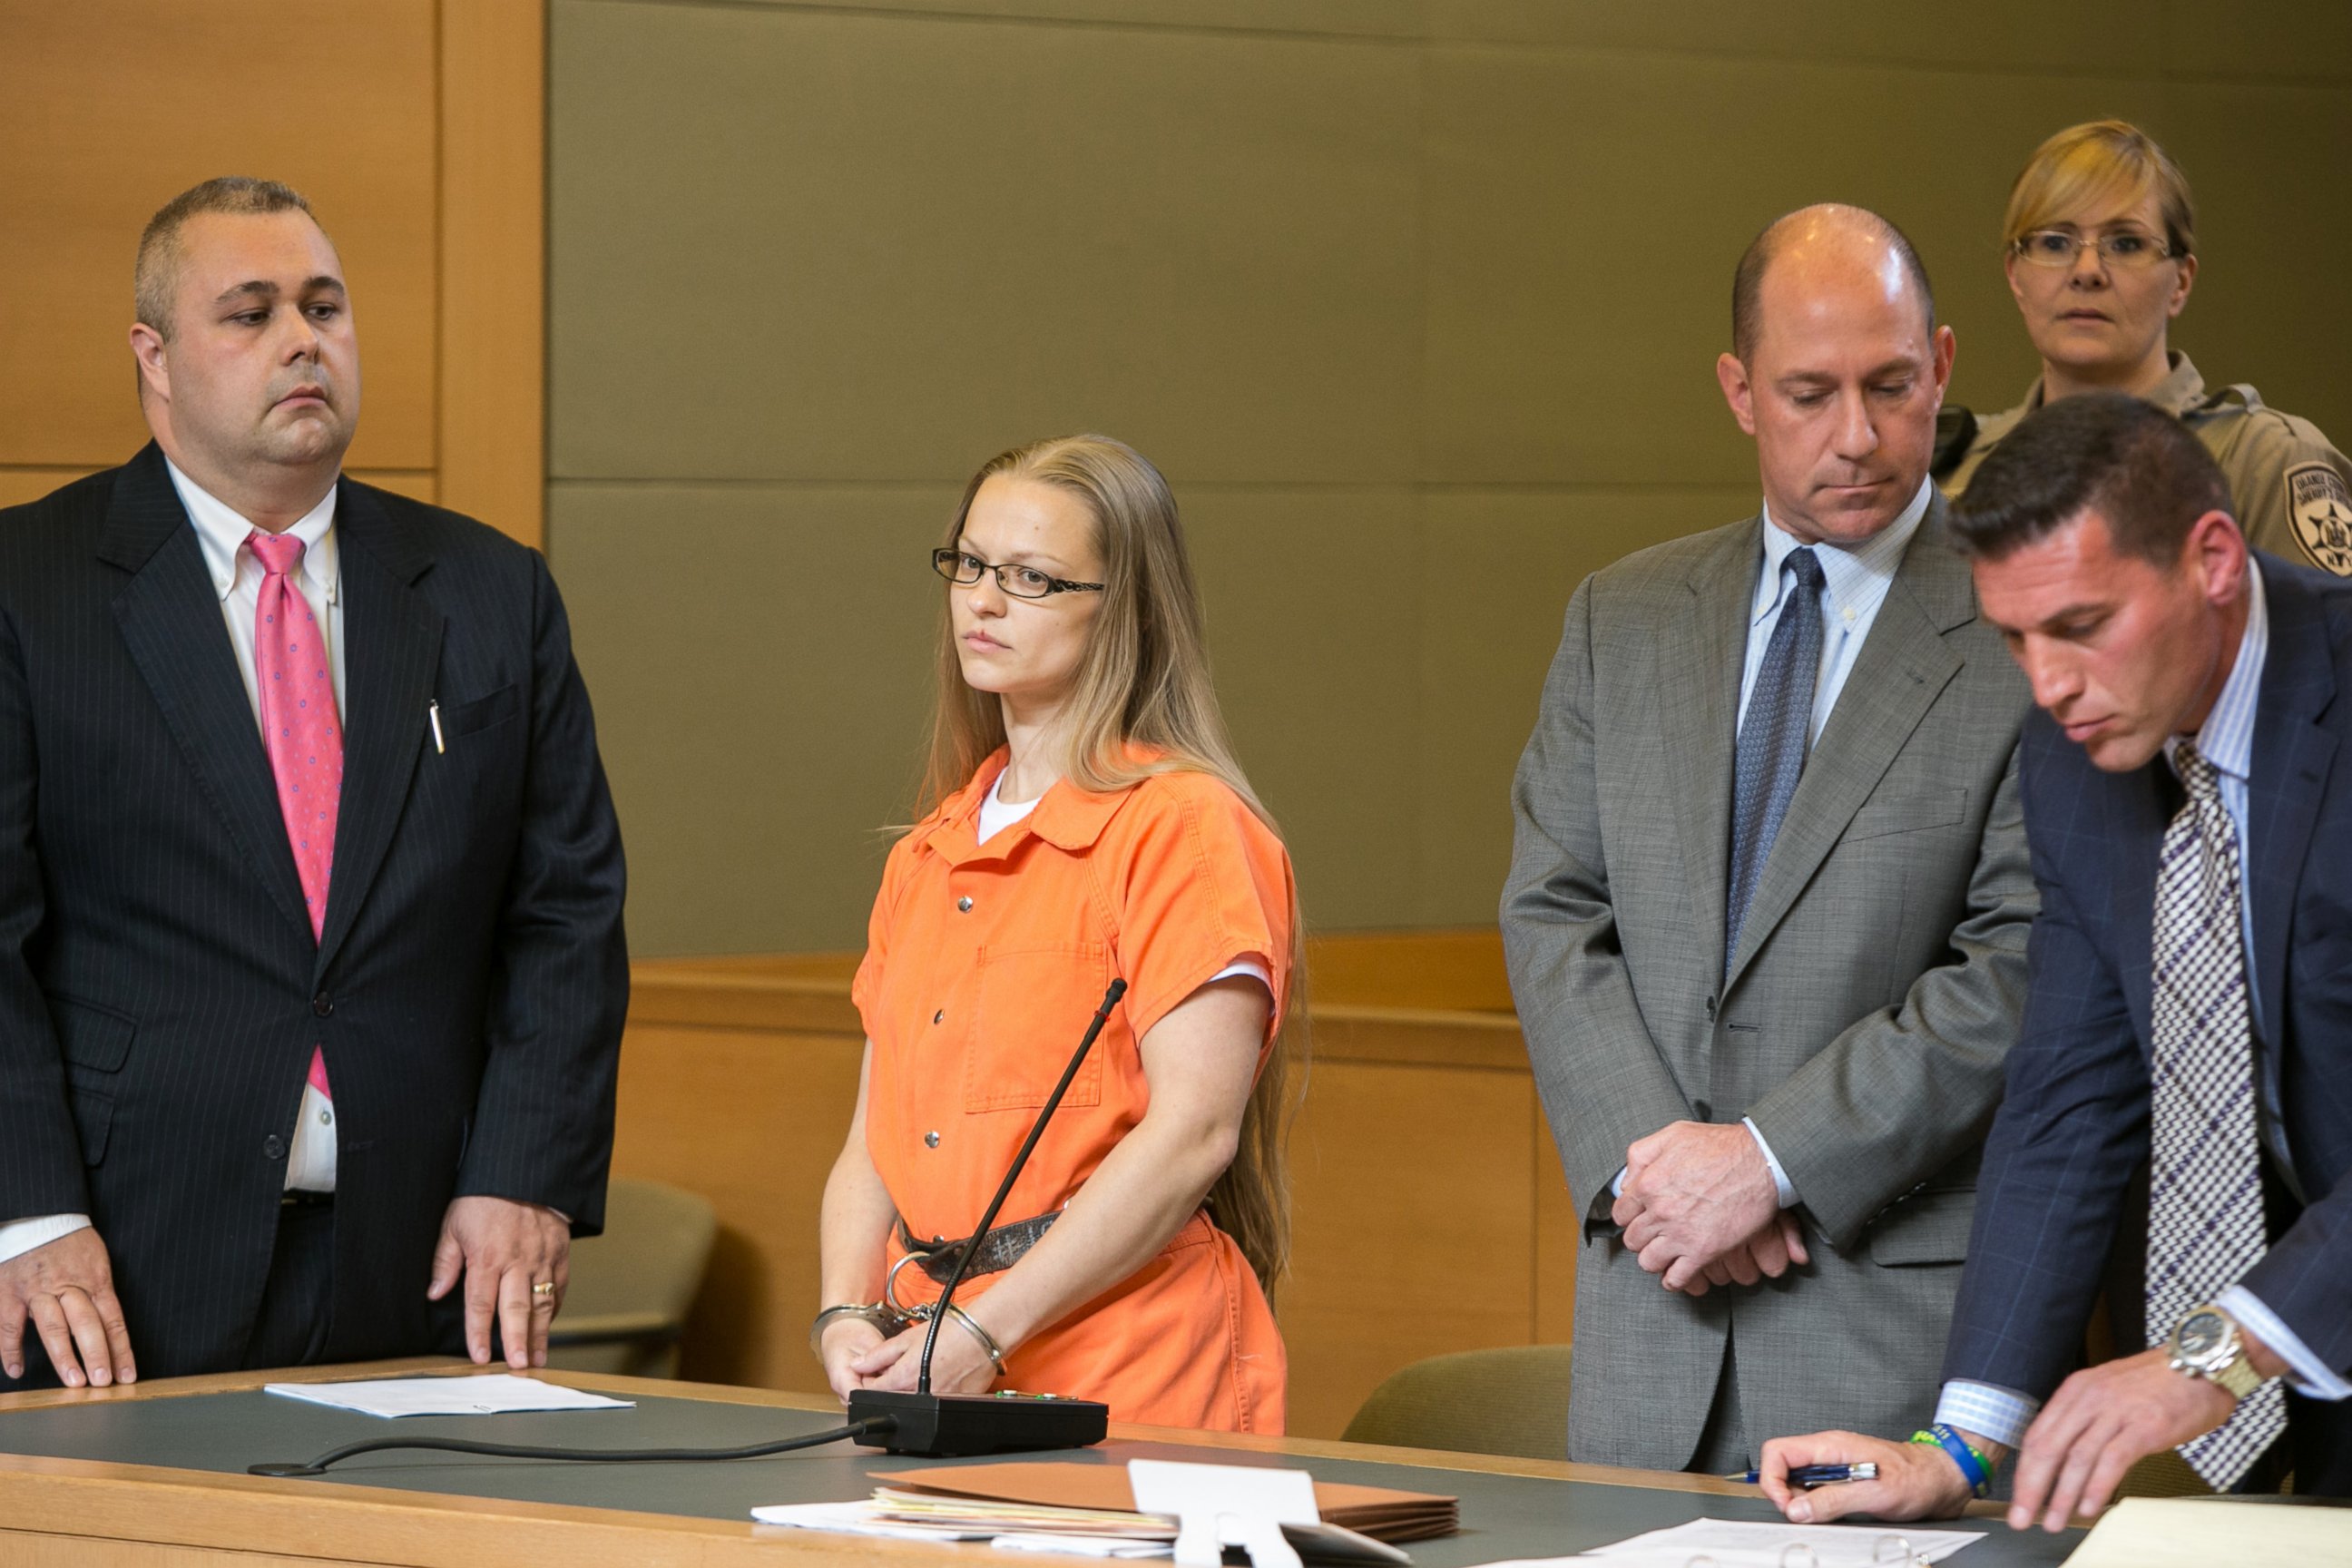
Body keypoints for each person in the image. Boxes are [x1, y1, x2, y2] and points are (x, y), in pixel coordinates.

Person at [0, 178, 628, 1391]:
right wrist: (25, 1213)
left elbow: (566, 913)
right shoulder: (31, 587)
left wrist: (523, 1171)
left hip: (424, 1260)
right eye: (249, 313)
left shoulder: (492, 591)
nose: (303, 340)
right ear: (157, 355)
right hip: (111, 1264)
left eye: (324, 307)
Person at [1502, 204, 2038, 1474]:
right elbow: (1552, 916)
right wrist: (1670, 1183)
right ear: (1741, 392)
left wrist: (1771, 1161)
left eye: (1892, 386)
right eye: (1810, 393)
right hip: (1654, 1314)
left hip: (1891, 1333)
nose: (1857, 435)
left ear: (1945, 366)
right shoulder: (1618, 618)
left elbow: (2023, 966)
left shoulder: (2028, 626)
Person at [1759, 393, 2352, 1530]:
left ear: (2214, 560)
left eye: (2080, 625)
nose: (2047, 683)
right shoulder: (2073, 752)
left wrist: (2215, 1355)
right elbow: (2070, 1095)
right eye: (2015, 640)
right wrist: (1961, 1444)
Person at [813, 435, 1299, 1432]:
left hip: (1130, 1370)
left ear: (1125, 607)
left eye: (1031, 578)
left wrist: (982, 1333)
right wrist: (844, 1314)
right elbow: (875, 1136)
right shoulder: (928, 853)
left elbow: (1192, 1132)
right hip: (931, 1355)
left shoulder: (1183, 826)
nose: (983, 602)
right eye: (972, 565)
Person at [1939, 119, 2352, 576]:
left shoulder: (2261, 463)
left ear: (2181, 281)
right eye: (2055, 242)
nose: (2088, 270)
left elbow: (2328, 641)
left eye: (2126, 243)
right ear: (2016, 276)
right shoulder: (1957, 472)